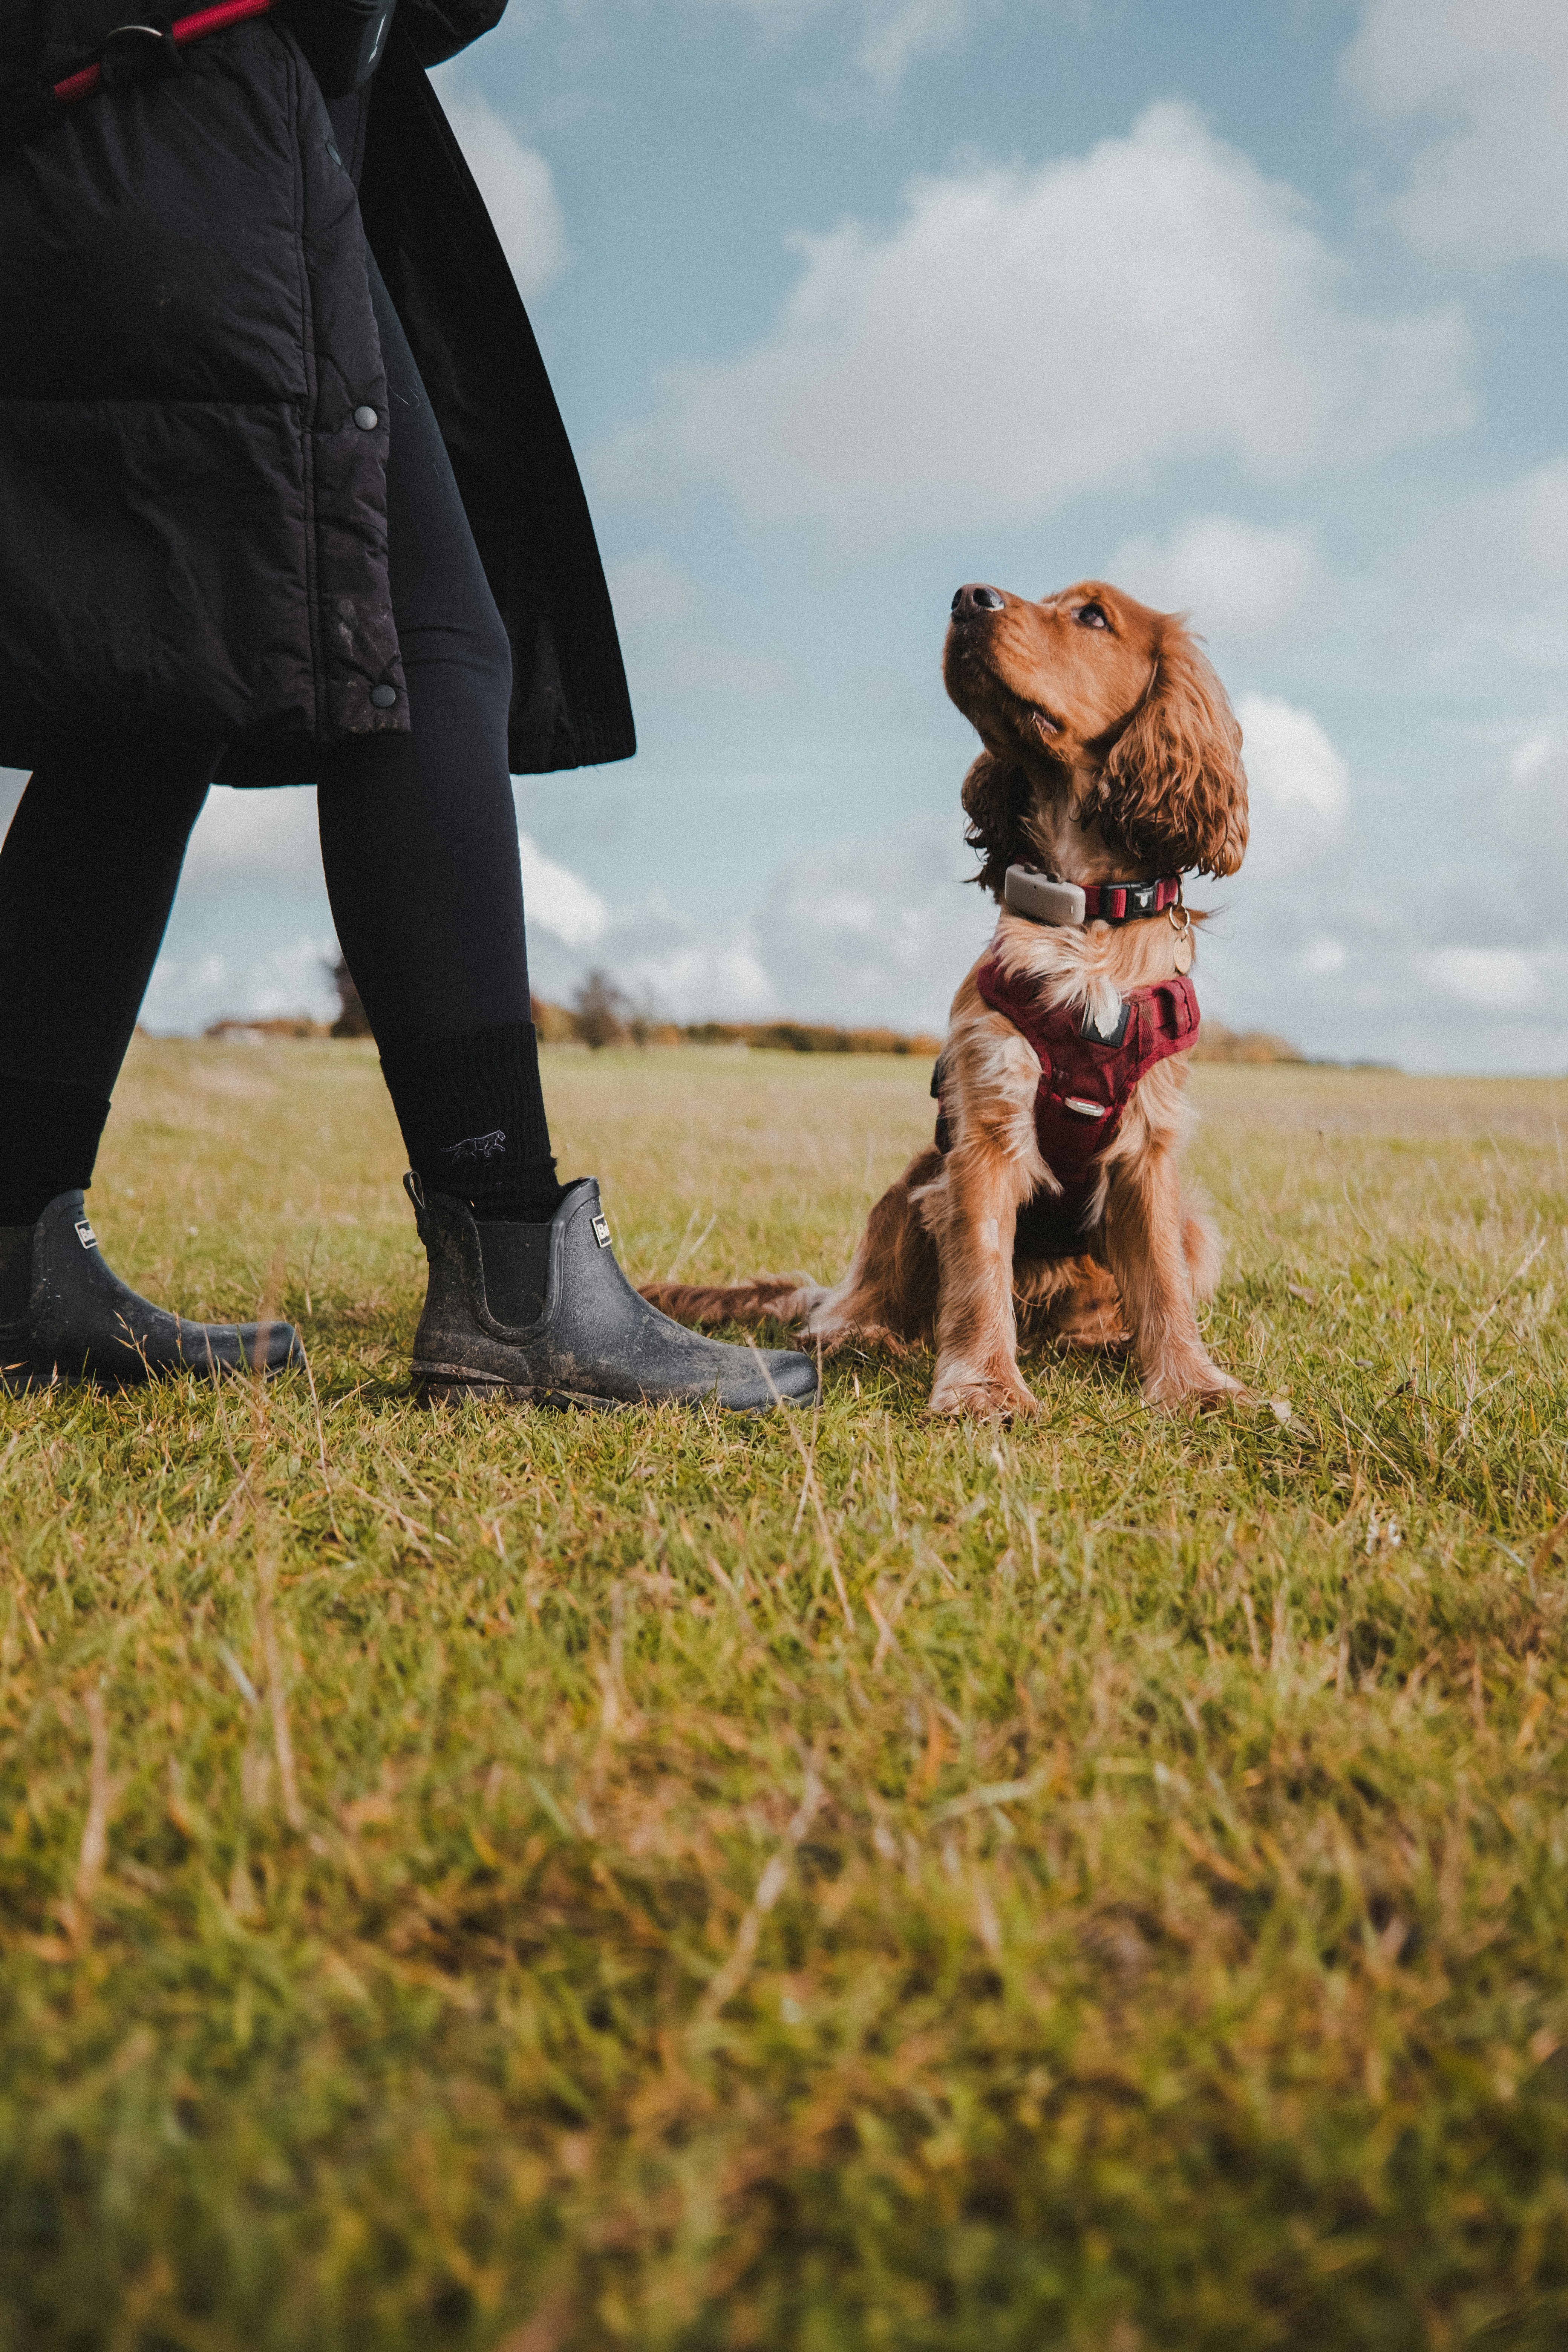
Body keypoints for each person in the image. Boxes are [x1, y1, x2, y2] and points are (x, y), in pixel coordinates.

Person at [0, 0, 815, 1412]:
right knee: (431, 641)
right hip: (176, 93)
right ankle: (508, 1265)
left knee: (158, 679)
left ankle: (10, 1257)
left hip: (90, 119)